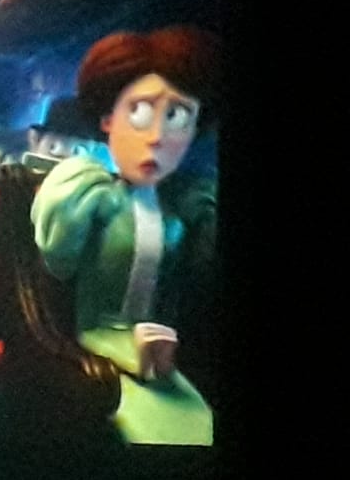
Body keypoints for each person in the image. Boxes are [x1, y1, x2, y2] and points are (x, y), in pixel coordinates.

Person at [30, 26, 219, 445]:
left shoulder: (186, 204)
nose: (156, 137)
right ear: (108, 119)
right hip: (96, 345)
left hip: (162, 354)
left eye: (177, 117)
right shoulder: (88, 192)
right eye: (139, 112)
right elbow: (57, 263)